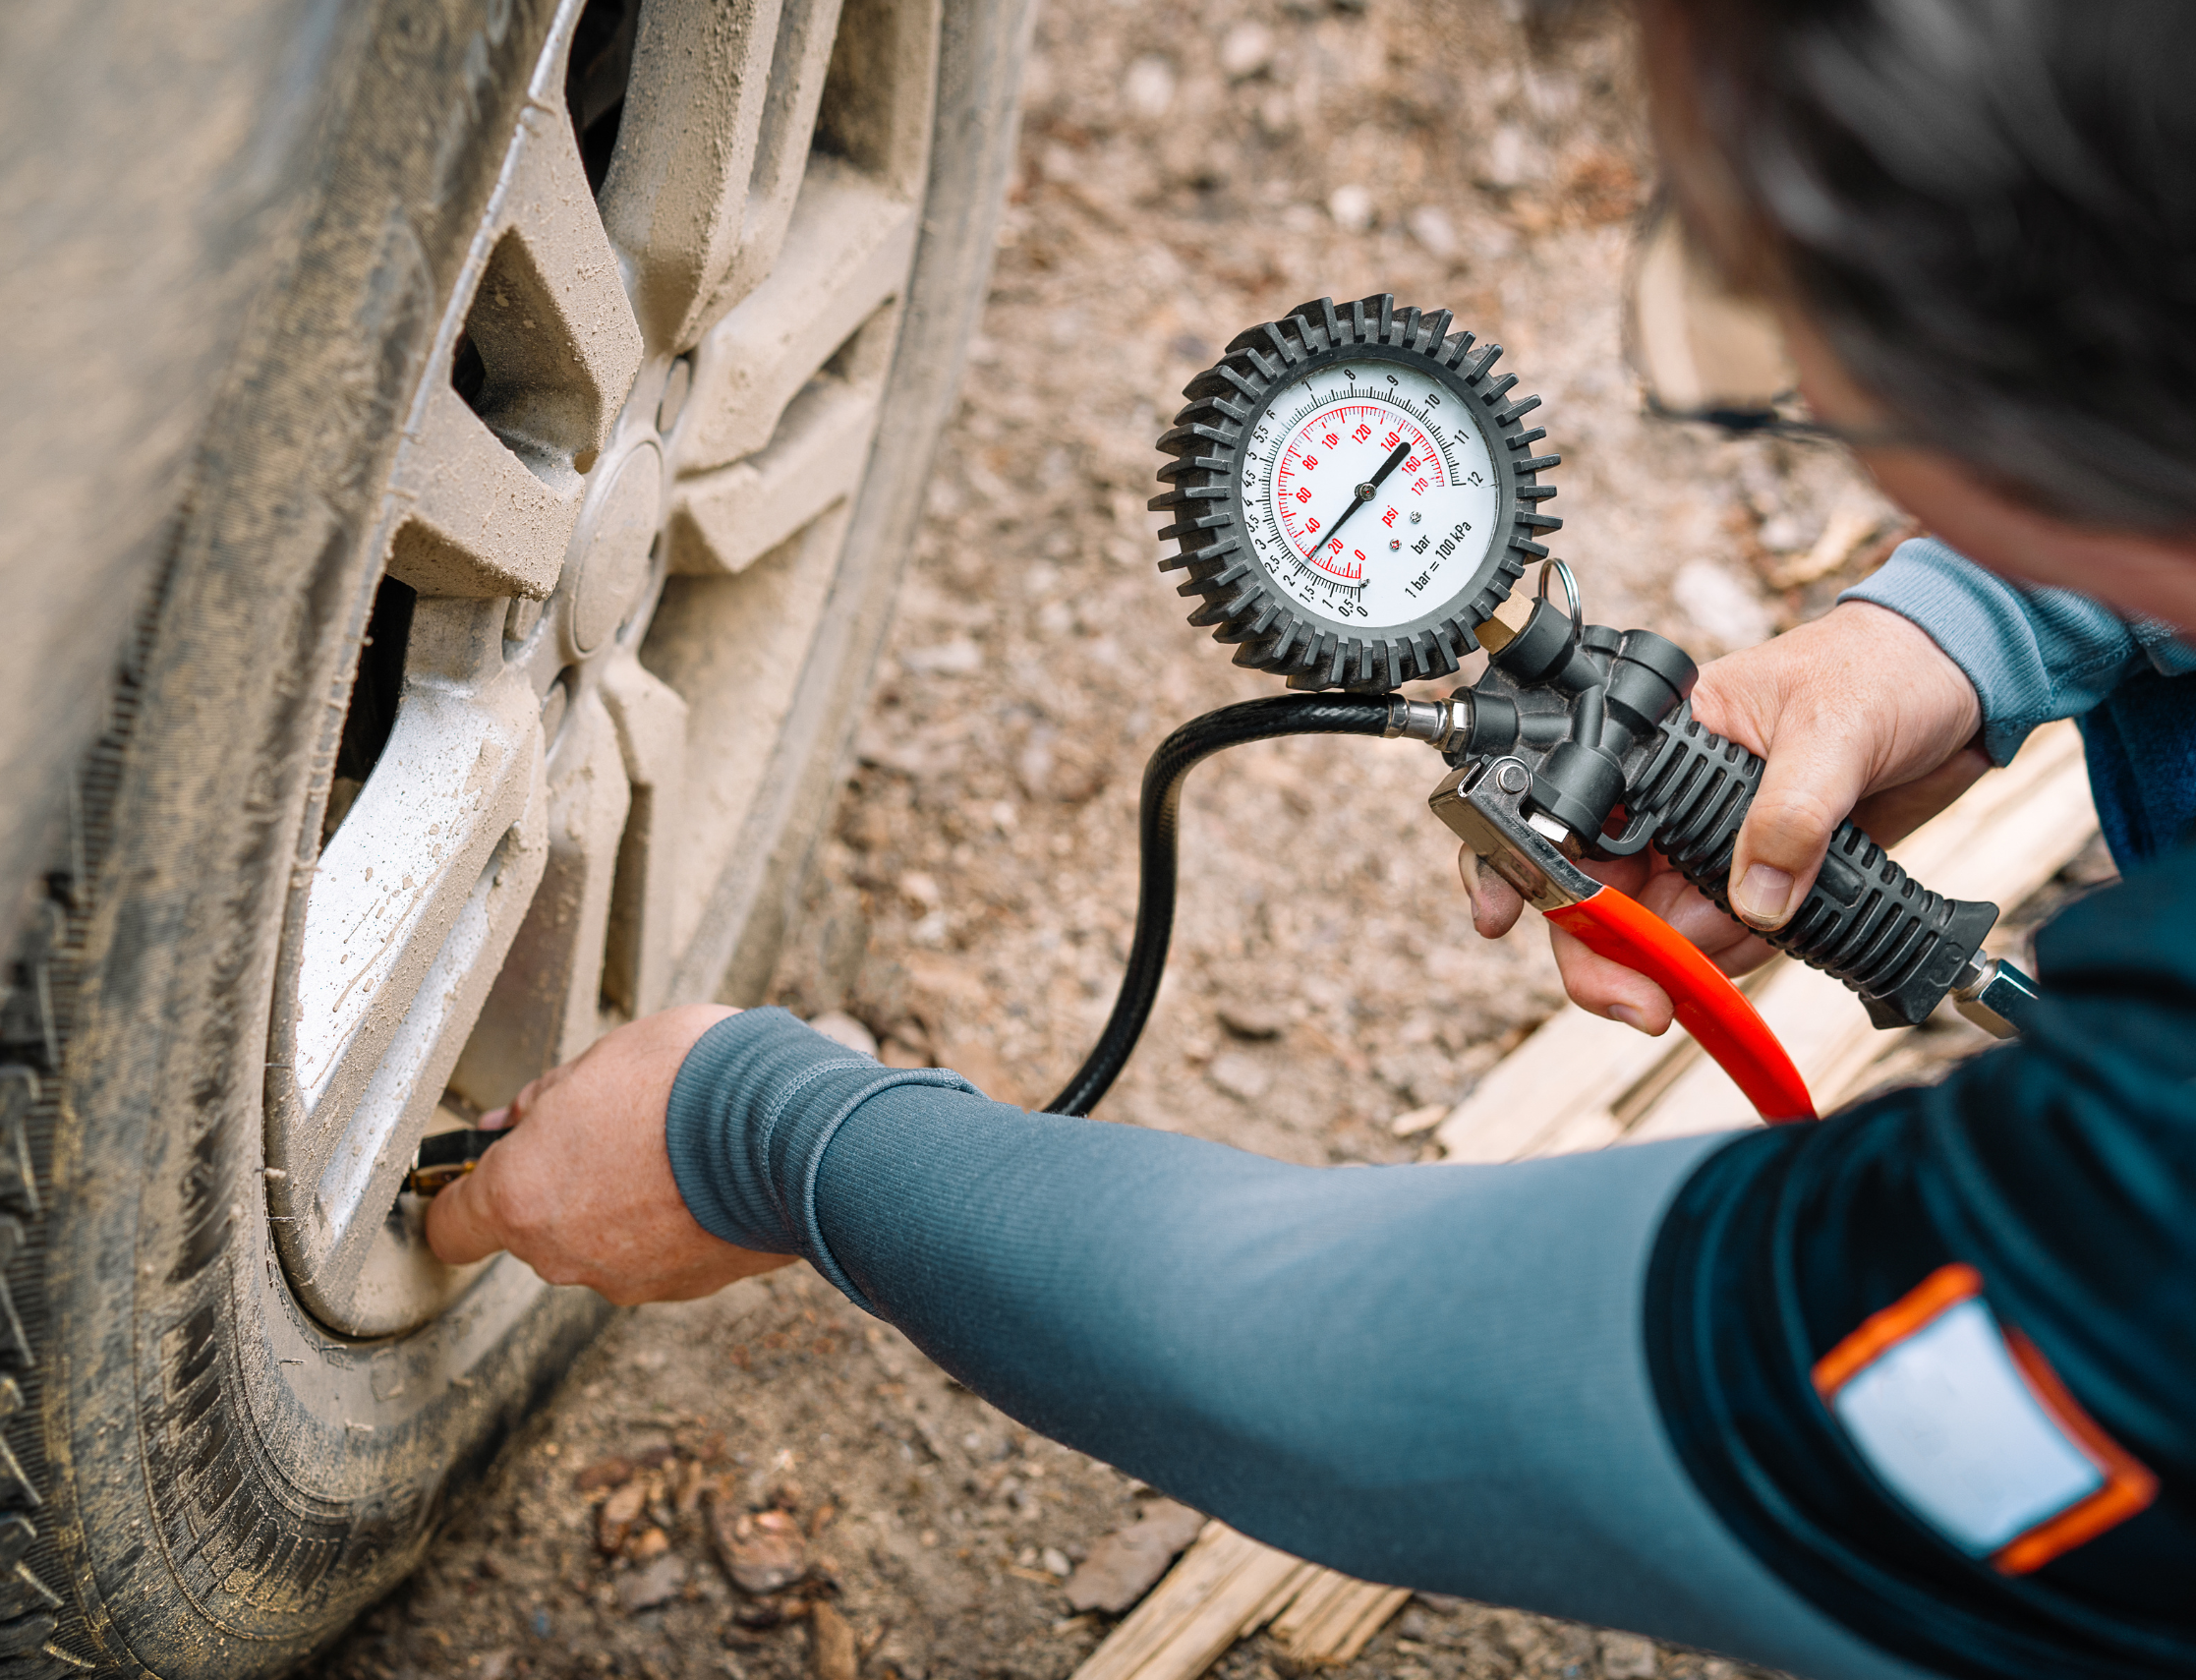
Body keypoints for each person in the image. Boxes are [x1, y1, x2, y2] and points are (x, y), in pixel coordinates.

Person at [426, 3, 2195, 1675]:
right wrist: (1965, 634)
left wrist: (764, 1137)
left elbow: (1376, 1386)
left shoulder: (2139, 1231)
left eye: (1796, 351)